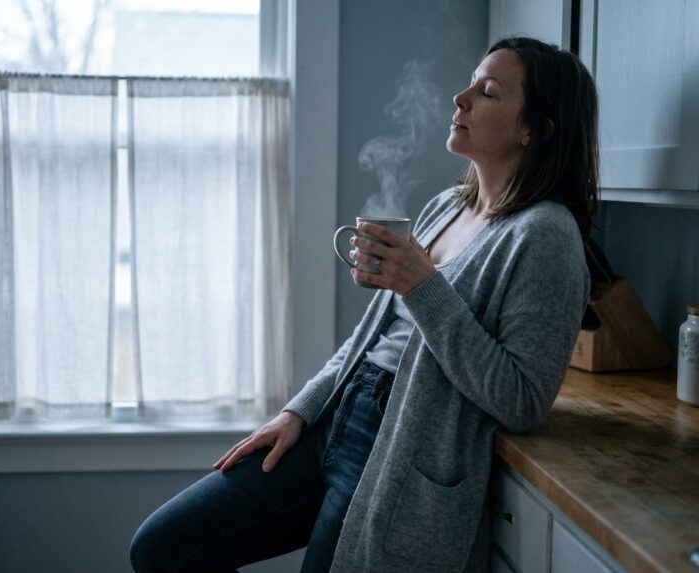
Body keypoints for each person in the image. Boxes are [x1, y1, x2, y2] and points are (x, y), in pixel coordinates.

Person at [129, 36, 598, 573]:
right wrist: (299, 411)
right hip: (335, 419)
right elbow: (370, 340)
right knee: (160, 547)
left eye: (487, 92)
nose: (460, 98)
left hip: (399, 447)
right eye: (470, 83)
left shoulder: (546, 234)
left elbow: (522, 399)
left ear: (535, 129)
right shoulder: (446, 206)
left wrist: (421, 285)